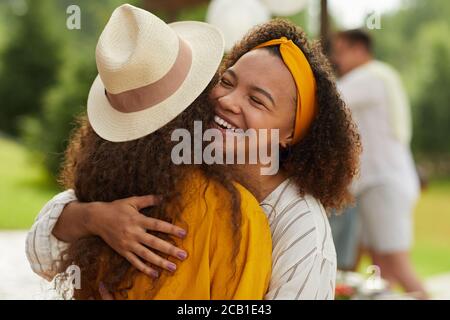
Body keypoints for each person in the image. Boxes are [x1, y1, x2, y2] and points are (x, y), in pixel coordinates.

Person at [27, 19, 362, 300]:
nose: (229, 101)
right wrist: (94, 218)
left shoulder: (301, 224)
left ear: (290, 133)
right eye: (226, 82)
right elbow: (38, 251)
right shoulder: (177, 168)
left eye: (257, 101)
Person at [49, 4, 273, 300]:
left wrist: (90, 217)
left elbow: (39, 245)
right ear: (201, 102)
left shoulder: (99, 196)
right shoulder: (236, 216)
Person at [330, 29, 427, 298]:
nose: (336, 59)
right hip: (383, 184)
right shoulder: (383, 76)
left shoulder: (367, 78)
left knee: (396, 263)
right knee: (382, 270)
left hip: (383, 184)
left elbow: (329, 100)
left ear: (359, 49)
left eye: (341, 51)